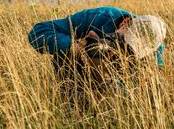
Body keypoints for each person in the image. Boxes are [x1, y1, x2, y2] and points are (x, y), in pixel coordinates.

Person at [28, 6, 166, 82]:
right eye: (125, 43)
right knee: (64, 53)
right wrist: (74, 47)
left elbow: (148, 86)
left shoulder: (155, 47)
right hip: (75, 79)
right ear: (125, 23)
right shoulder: (95, 17)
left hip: (114, 93)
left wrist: (112, 83)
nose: (124, 51)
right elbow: (37, 33)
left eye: (132, 51)